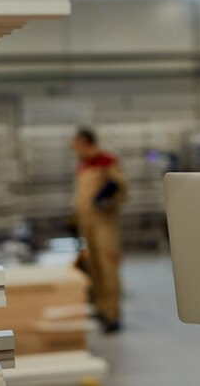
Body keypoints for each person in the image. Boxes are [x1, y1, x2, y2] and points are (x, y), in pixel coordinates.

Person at [71, 127, 127, 333]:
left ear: (85, 142)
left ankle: (113, 314)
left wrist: (106, 199)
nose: (74, 149)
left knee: (108, 267)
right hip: (87, 225)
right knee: (93, 267)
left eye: (75, 144)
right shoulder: (82, 164)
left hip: (104, 225)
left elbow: (121, 187)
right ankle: (101, 308)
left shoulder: (106, 161)